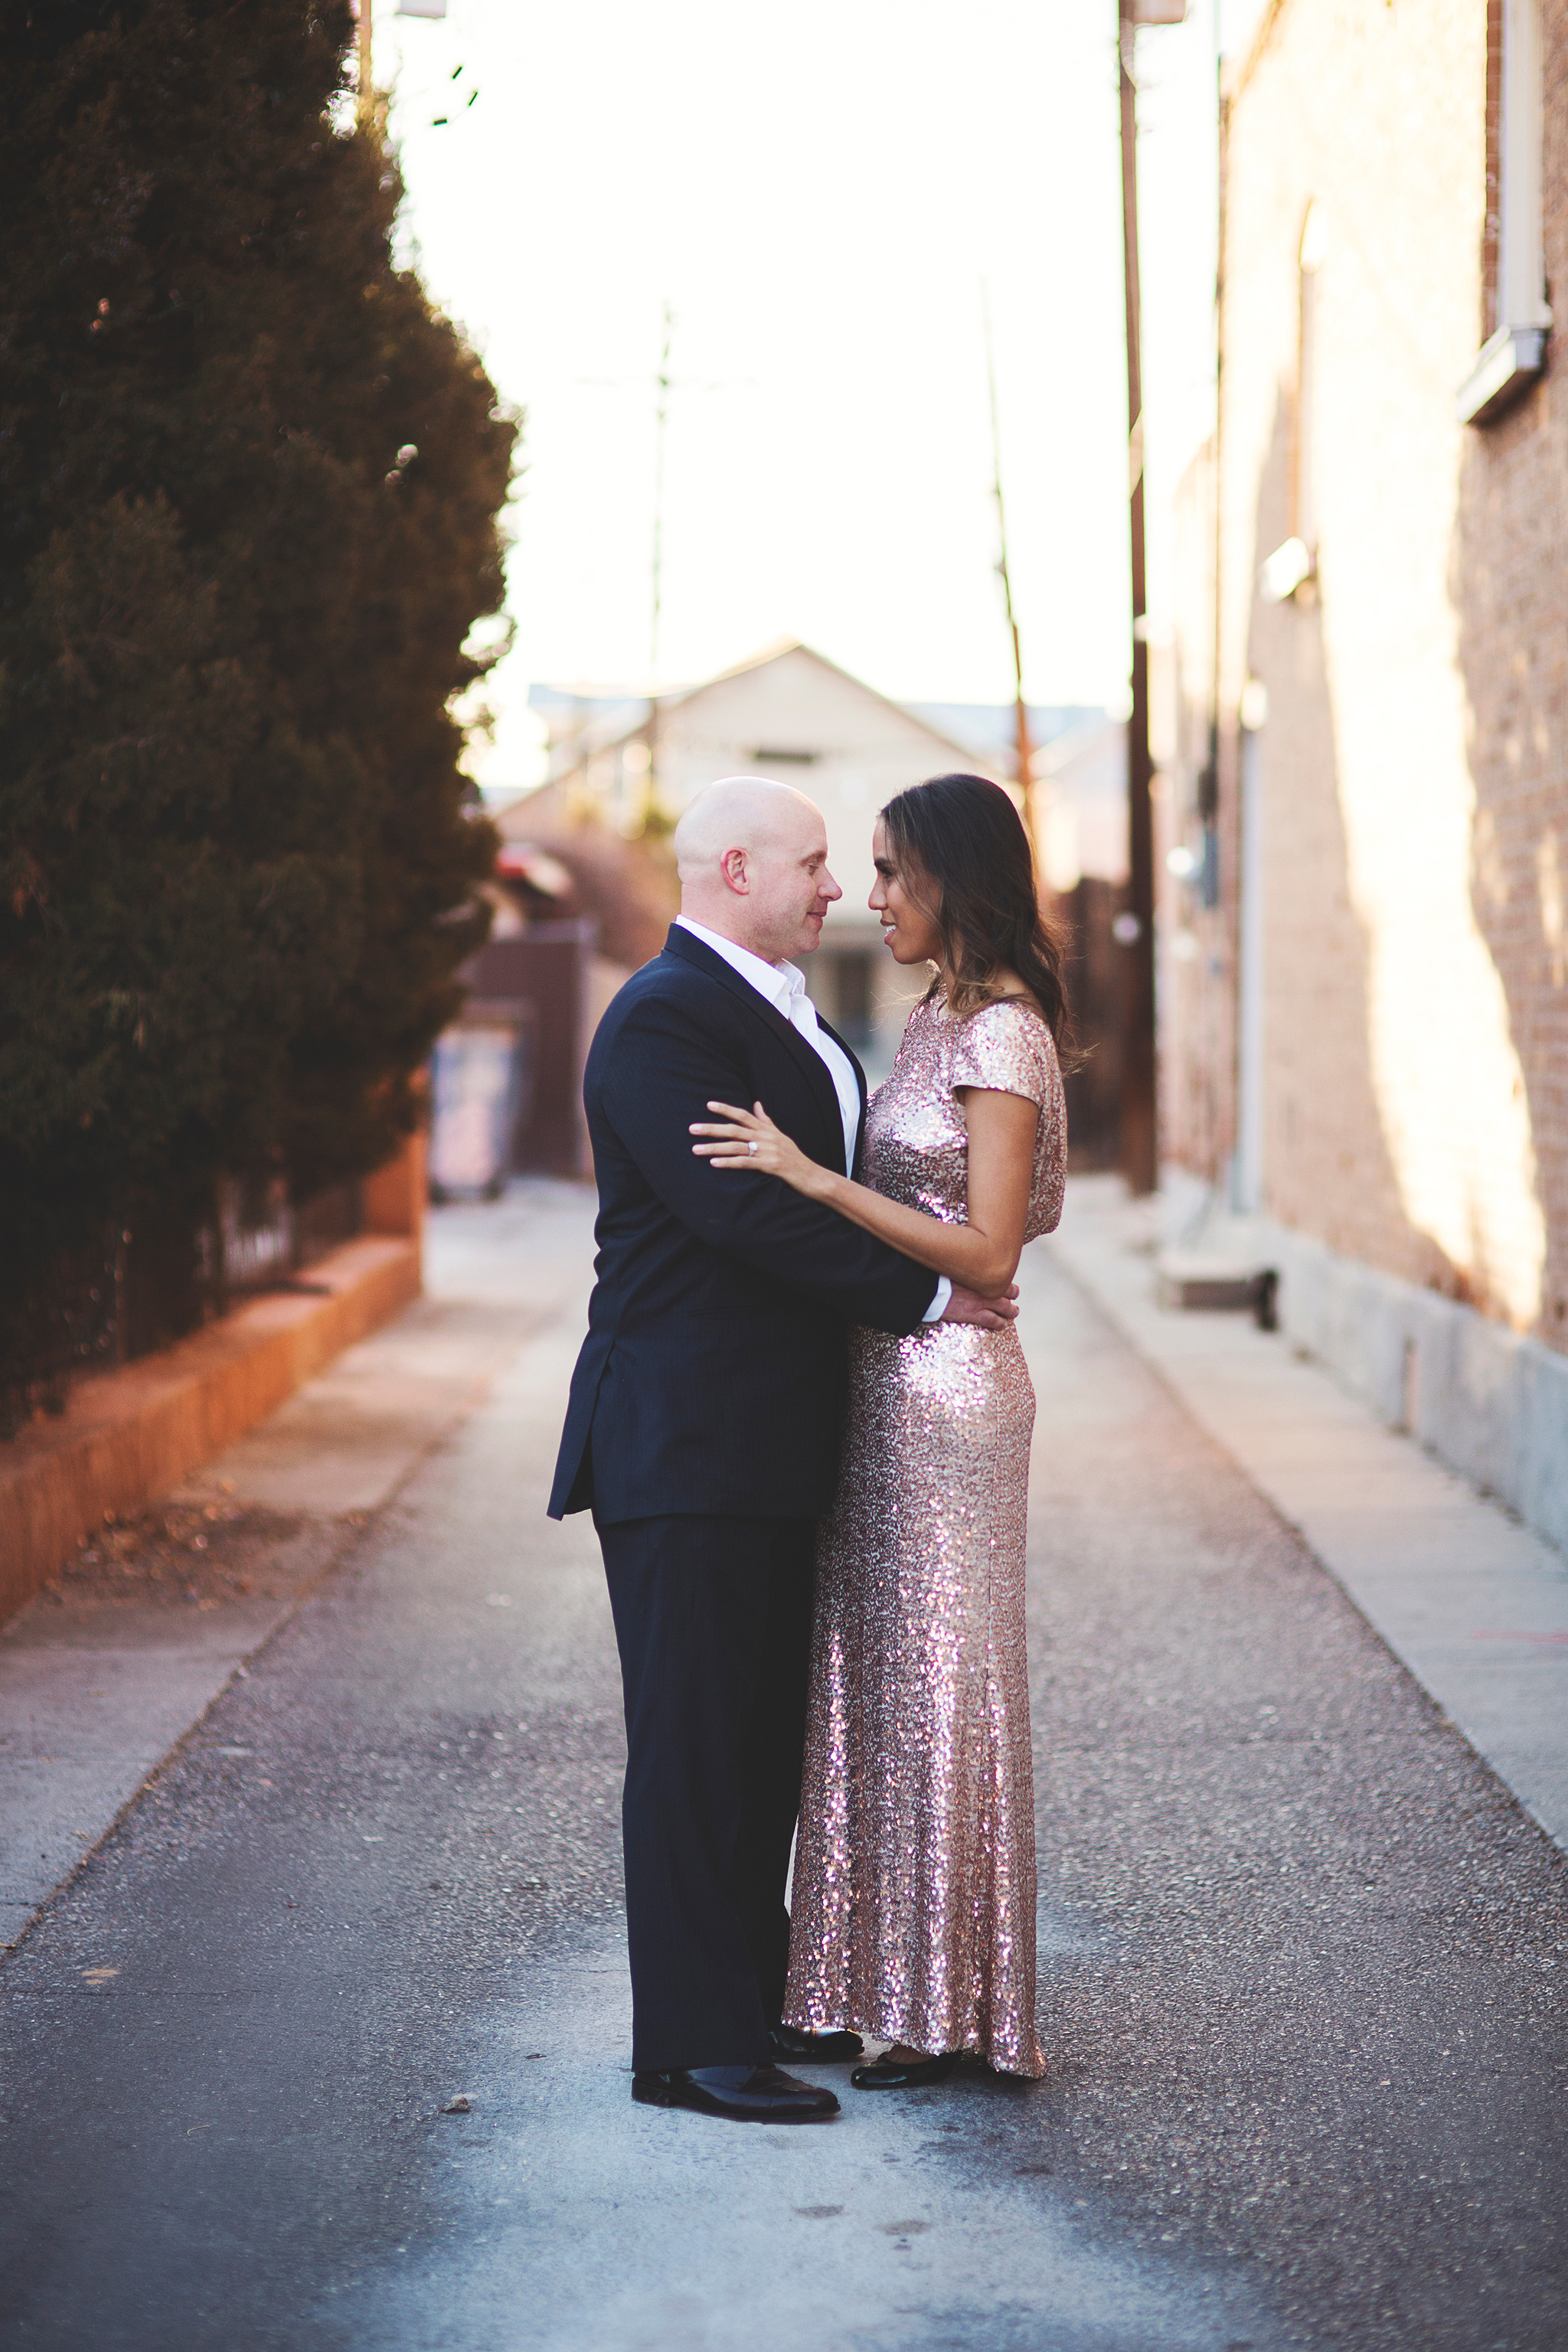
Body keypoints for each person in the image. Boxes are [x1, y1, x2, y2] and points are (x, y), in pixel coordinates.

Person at [547, 775, 1020, 2126]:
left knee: (757, 1743)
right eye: (816, 865)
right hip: (682, 1443)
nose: (836, 889)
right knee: (694, 1746)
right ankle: (692, 2051)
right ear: (737, 867)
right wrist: (936, 1297)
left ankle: (747, 2002)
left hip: (764, 1445)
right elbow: (741, 1216)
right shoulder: (662, 1021)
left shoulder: (782, 1010)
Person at [689, 772, 1069, 2088]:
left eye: (894, 872)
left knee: (948, 1688)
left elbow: (989, 1245)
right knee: (871, 1689)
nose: (873, 895)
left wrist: (807, 1178)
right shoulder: (929, 1020)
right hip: (878, 1389)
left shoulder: (1004, 1035)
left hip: (953, 1393)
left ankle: (966, 2013)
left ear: (953, 880)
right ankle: (878, 1985)